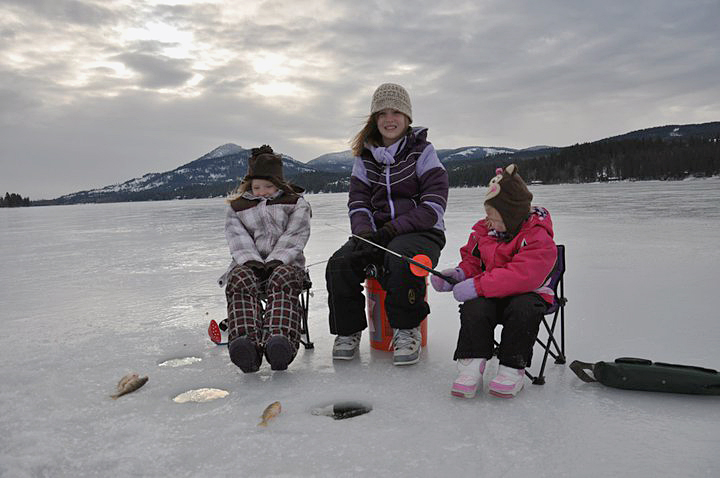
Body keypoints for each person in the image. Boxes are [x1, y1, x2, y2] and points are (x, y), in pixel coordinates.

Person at [326, 83, 449, 366]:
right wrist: (365, 235)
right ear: (374, 119)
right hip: (377, 234)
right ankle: (347, 331)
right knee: (340, 264)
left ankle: (407, 330)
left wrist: (391, 230)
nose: (389, 119)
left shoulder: (423, 152)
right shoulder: (365, 158)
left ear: (407, 119)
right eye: (382, 113)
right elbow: (358, 203)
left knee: (401, 259)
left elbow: (432, 206)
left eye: (396, 112)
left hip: (422, 232)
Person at [431, 164, 557, 398]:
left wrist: (478, 285)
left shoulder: (536, 236)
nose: (490, 223)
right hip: (492, 295)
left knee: (523, 308)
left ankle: (511, 369)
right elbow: (473, 261)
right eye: (488, 216)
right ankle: (470, 366)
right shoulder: (484, 232)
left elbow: (523, 275)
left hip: (529, 294)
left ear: (513, 216)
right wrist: (458, 275)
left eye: (496, 219)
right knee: (475, 307)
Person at [218, 145, 311, 373]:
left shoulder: (296, 203)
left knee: (282, 278)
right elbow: (237, 237)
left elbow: (295, 234)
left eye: (268, 186)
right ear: (249, 185)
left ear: (279, 184)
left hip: (287, 265)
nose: (262, 192)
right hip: (249, 266)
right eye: (256, 187)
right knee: (239, 279)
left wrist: (277, 260)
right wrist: (251, 262)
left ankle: (280, 343)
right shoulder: (237, 207)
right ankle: (245, 344)